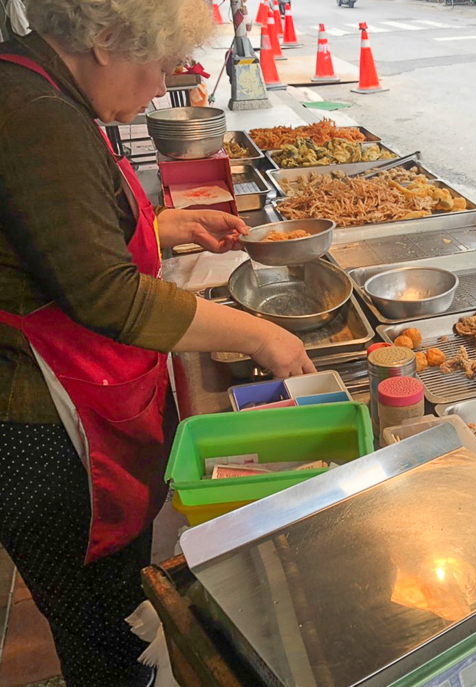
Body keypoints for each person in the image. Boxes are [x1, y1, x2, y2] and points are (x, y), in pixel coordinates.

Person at [0, 1, 315, 684]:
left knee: (113, 612)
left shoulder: (37, 86)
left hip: (71, 410)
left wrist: (167, 228)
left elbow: (62, 236)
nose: (155, 93)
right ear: (108, 40)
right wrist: (257, 333)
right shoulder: (37, 119)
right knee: (106, 630)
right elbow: (107, 294)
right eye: (157, 70)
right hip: (46, 437)